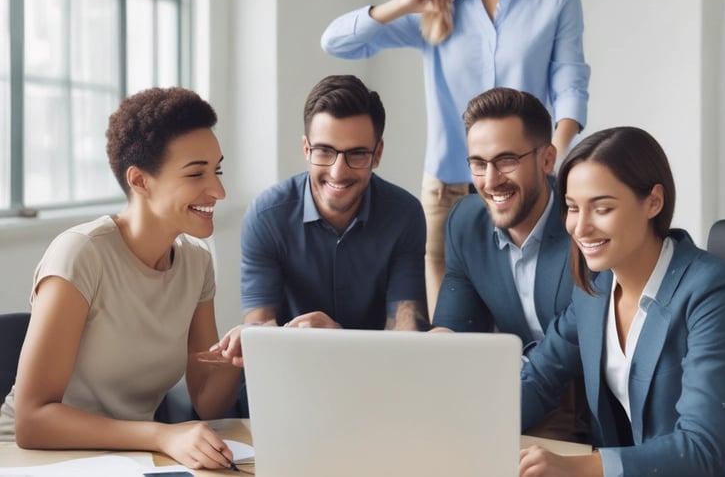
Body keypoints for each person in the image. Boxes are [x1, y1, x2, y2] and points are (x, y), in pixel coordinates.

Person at [321, 0, 590, 315]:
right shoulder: (436, 7)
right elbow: (335, 41)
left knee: (521, 311)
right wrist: (405, 4)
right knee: (447, 330)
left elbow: (570, 87)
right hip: (445, 191)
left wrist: (551, 161)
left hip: (523, 184)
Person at [0, 88, 243, 470]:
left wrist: (240, 352)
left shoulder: (197, 263)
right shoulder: (82, 254)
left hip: (128, 459)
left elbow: (206, 401)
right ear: (140, 181)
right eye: (197, 173)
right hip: (32, 459)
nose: (218, 190)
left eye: (217, 170)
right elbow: (32, 421)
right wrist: (162, 434)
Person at [518, 126, 725, 476]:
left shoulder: (712, 291)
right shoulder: (597, 288)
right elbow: (541, 376)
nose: (580, 227)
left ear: (654, 201)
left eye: (601, 208)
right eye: (573, 208)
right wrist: (473, 423)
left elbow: (699, 446)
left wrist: (580, 468)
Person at [212, 74, 428, 369]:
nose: (338, 172)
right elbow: (259, 330)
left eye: (357, 154)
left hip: (375, 371)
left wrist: (338, 340)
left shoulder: (405, 215)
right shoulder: (265, 216)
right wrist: (295, 338)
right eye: (325, 151)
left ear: (377, 154)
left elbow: (408, 335)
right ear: (306, 149)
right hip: (292, 369)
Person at [431, 87, 588, 443]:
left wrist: (478, 426)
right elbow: (456, 334)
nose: (490, 181)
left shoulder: (583, 228)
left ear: (548, 159)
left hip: (581, 406)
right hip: (507, 393)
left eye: (506, 160)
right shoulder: (465, 223)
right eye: (478, 163)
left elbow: (557, 366)